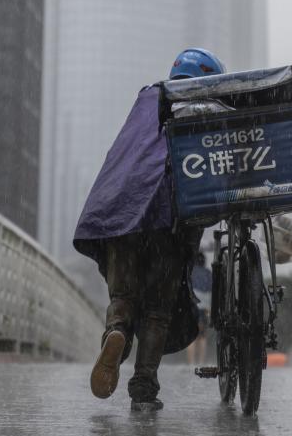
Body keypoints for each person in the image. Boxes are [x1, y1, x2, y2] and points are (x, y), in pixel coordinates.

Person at [73, 48, 226, 413]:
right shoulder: (207, 111)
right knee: (158, 309)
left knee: (123, 297)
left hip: (121, 214)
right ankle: (143, 387)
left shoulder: (148, 98)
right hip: (166, 221)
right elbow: (204, 180)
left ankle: (117, 332)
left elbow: (124, 156)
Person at [186, 252, 212, 366]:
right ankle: (201, 362)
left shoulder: (190, 273)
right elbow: (211, 291)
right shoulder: (208, 273)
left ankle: (191, 363)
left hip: (192, 307)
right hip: (204, 307)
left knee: (191, 337)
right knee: (202, 336)